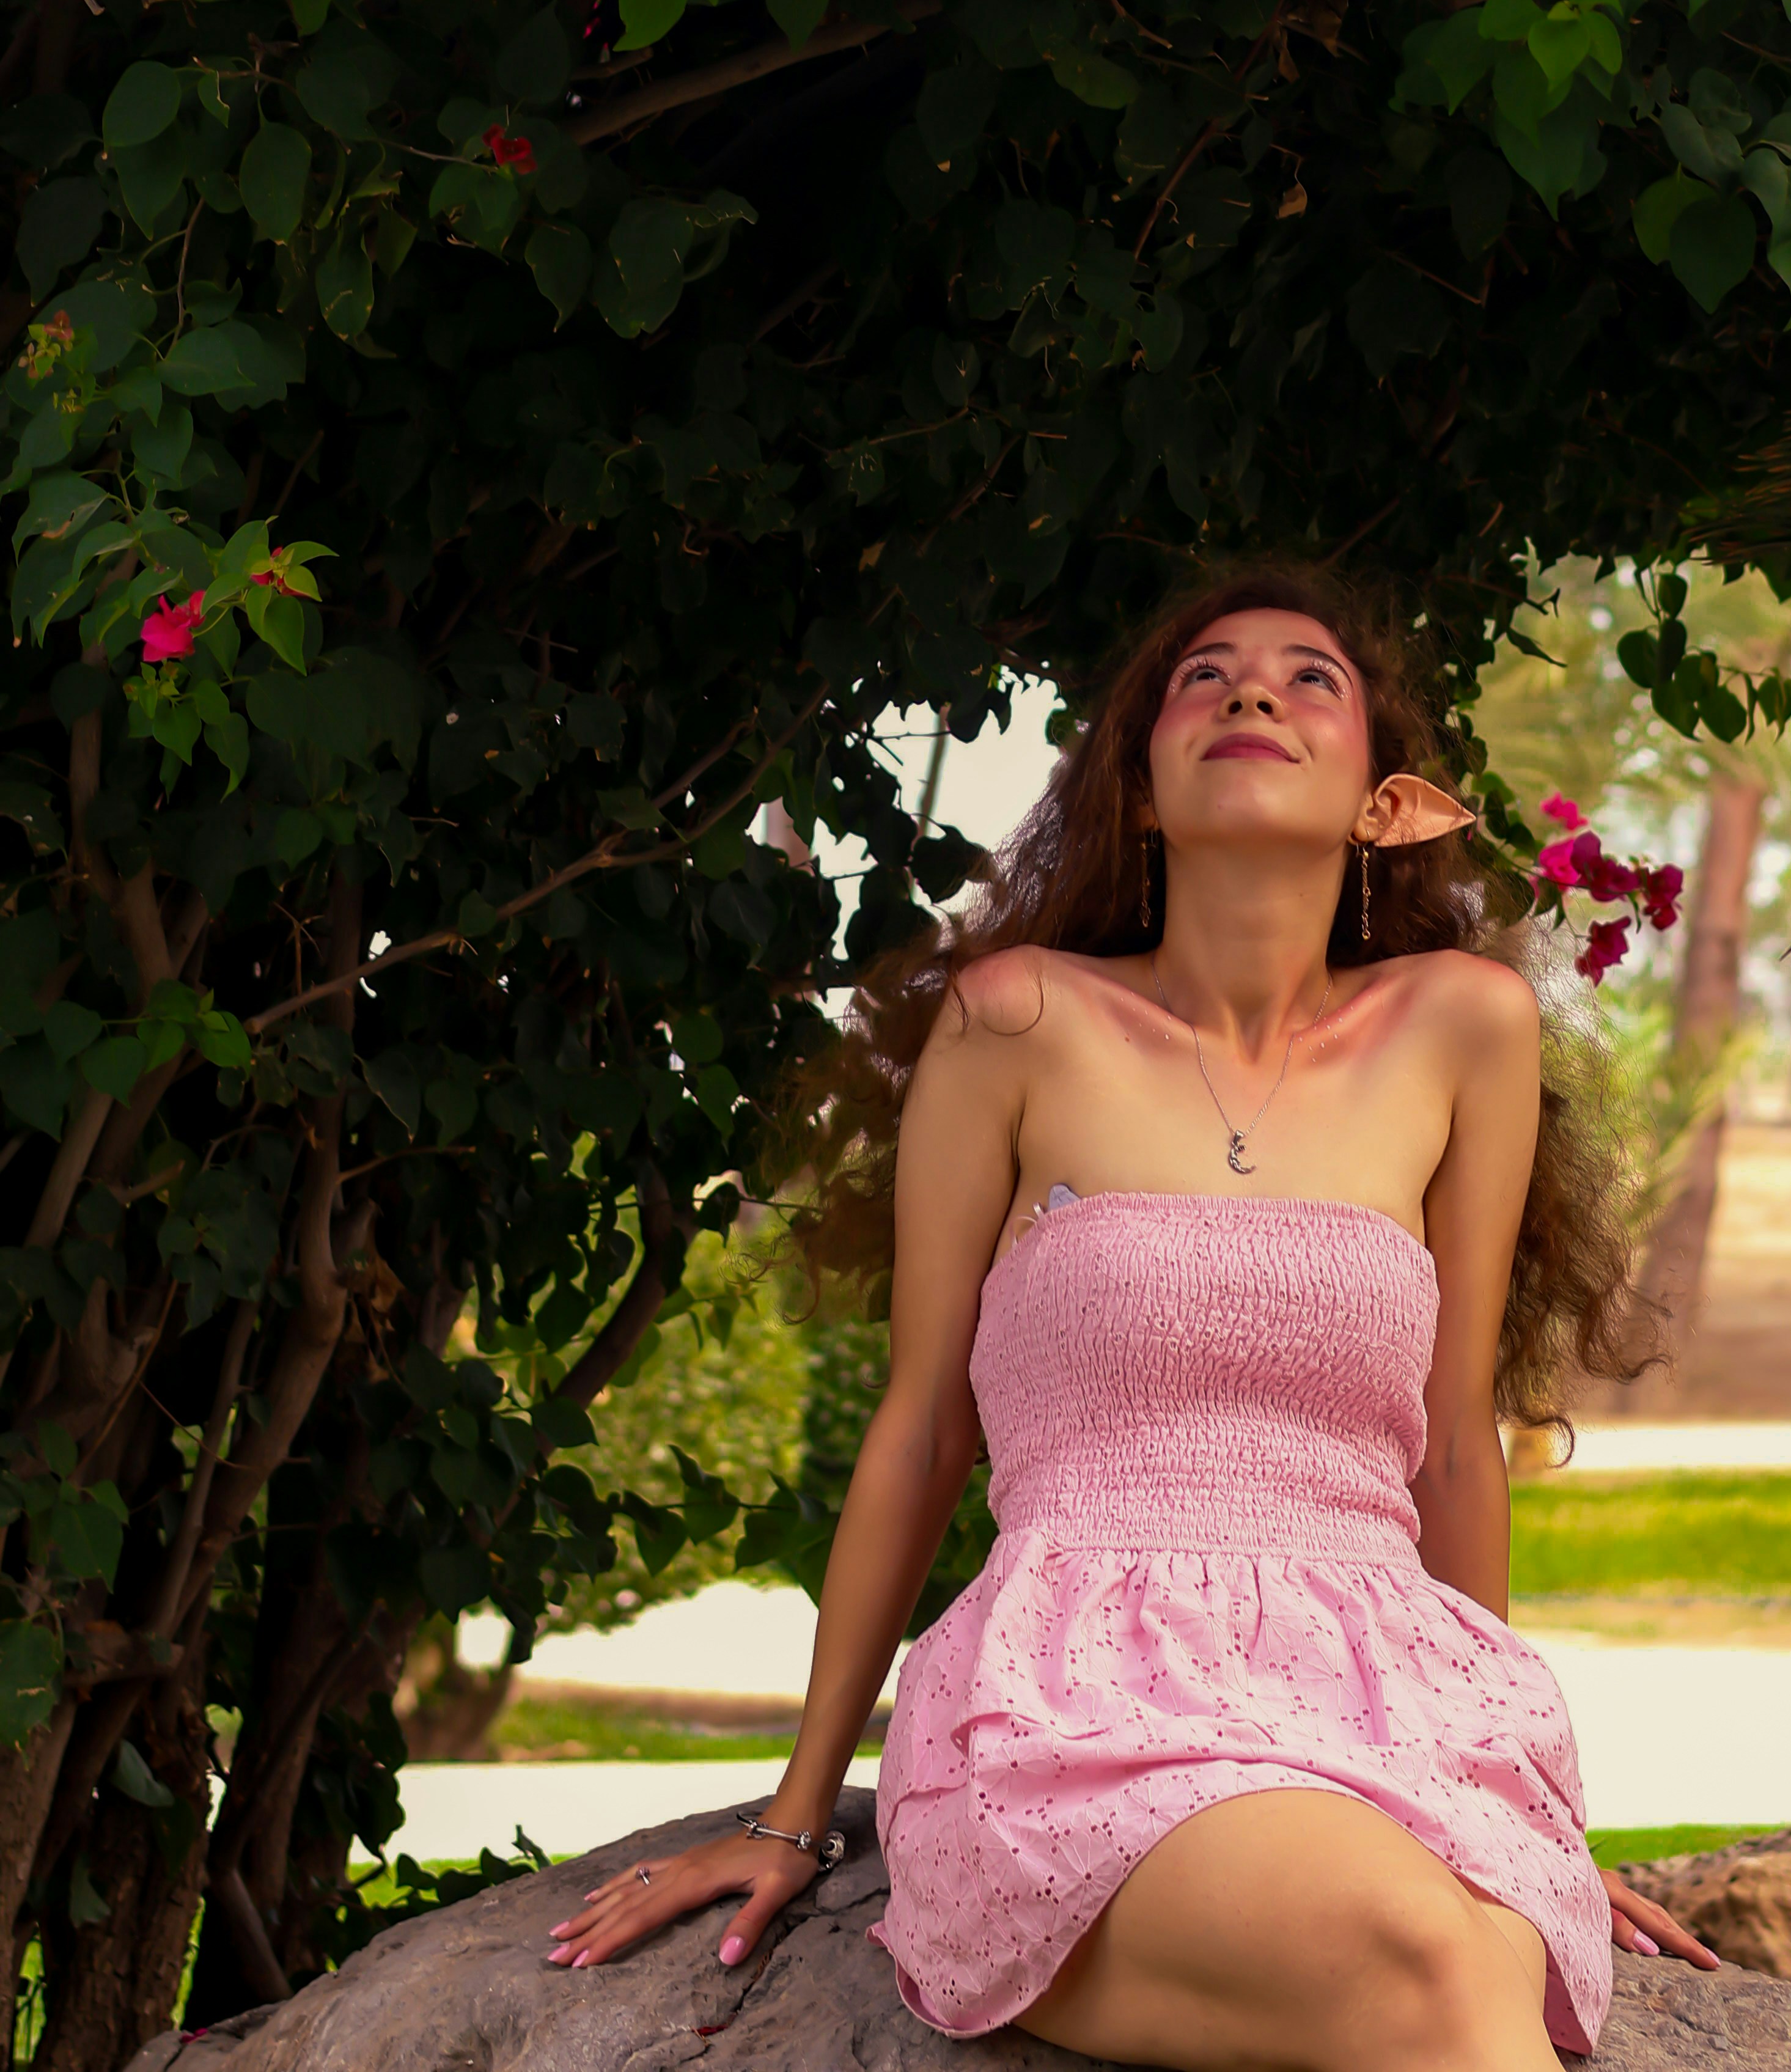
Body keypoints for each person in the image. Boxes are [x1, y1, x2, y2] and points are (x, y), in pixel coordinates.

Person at [547, 564, 1718, 2066]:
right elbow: (919, 1431)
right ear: (1142, 795)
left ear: (1388, 800)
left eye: (1310, 680)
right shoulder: (1015, 1016)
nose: (1250, 693)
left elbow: (1448, 1447)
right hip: (1081, 1688)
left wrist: (1511, 1808)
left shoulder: (1461, 1026)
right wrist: (797, 1815)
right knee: (1433, 1963)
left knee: (1479, 1954)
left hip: (1380, 1688)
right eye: (1202, 678)